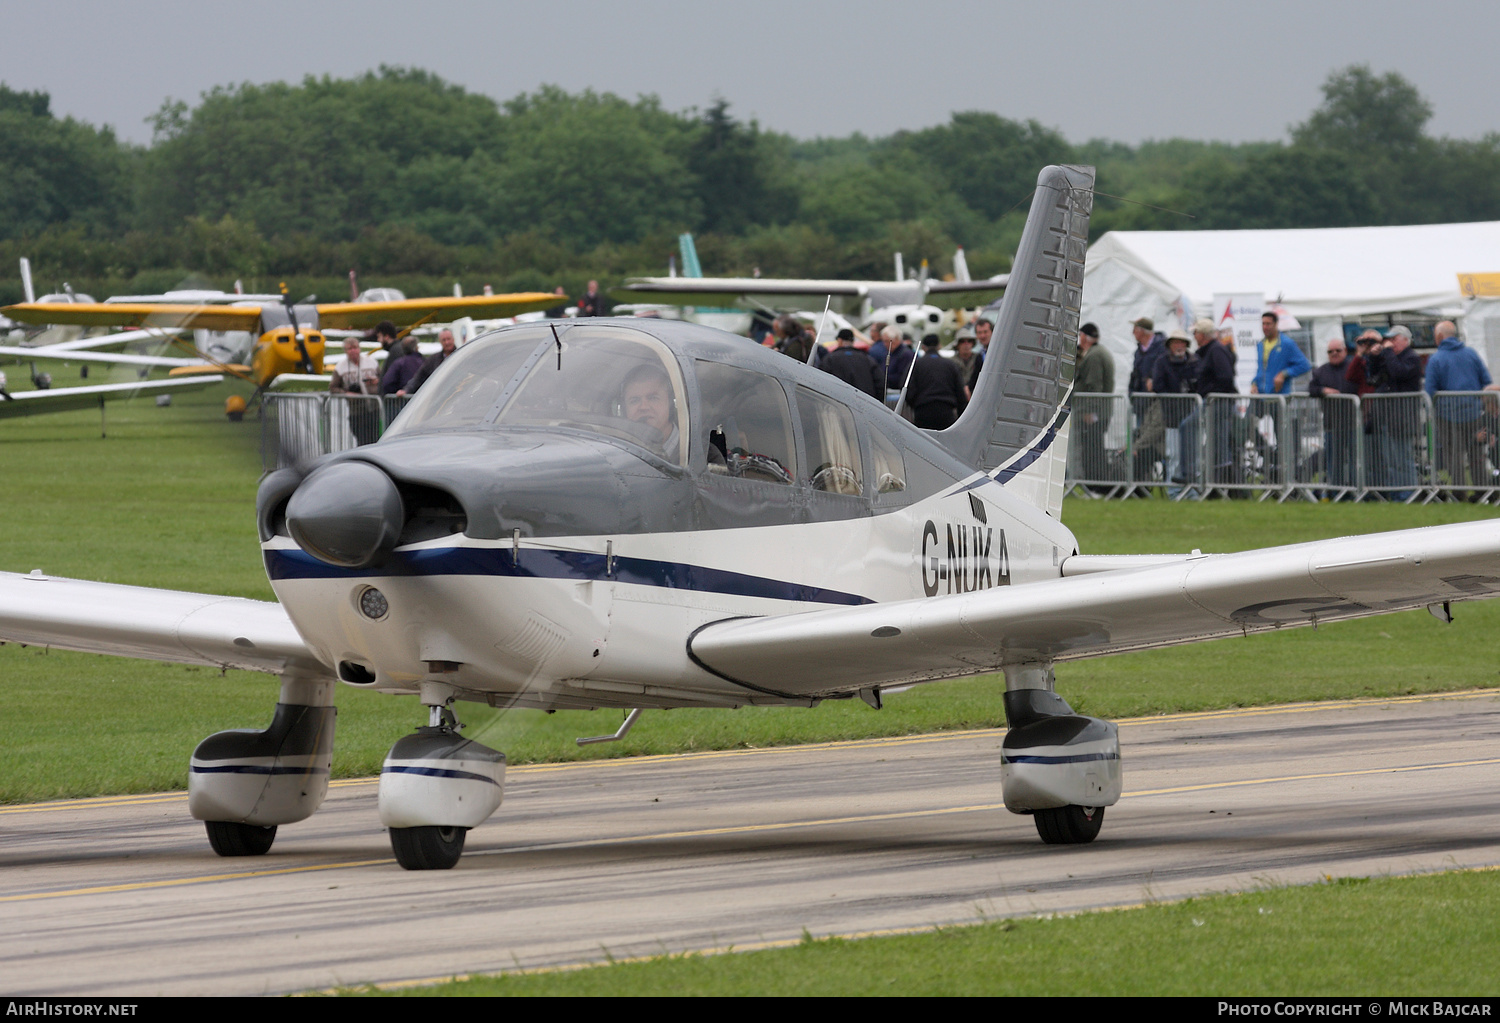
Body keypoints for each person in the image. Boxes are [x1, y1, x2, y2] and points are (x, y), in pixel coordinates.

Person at [1424, 319, 1497, 492]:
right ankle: (1482, 491)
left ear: (1440, 336)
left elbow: (1430, 391)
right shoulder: (1471, 353)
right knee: (1477, 454)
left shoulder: (1436, 359)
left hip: (1447, 415)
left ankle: (1459, 491)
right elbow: (1486, 382)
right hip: (1474, 413)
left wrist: (1433, 411)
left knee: (1453, 455)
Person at [1365, 324, 1424, 498]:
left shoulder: (1411, 358)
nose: (1389, 343)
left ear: (1405, 340)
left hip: (1403, 416)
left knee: (1403, 459)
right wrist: (1375, 357)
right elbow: (1373, 379)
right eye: (1388, 339)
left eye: (1394, 339)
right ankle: (1396, 494)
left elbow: (1398, 373)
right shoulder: (1390, 357)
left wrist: (1388, 352)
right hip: (1387, 416)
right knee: (1390, 459)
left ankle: (1408, 494)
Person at [1152, 329, 1200, 492]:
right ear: (1169, 345)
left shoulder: (1194, 361)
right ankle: (1172, 490)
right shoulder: (1161, 362)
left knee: (1193, 454)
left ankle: (1192, 491)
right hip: (1172, 415)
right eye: (1175, 342)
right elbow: (1158, 386)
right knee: (1173, 454)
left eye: (1181, 342)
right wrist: (1175, 398)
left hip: (1192, 415)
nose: (1179, 346)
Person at [1308, 338, 1358, 495]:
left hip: (1353, 423)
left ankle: (1355, 492)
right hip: (1332, 425)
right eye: (1331, 351)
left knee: (1354, 461)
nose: (1334, 354)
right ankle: (1336, 493)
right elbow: (1311, 388)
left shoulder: (1353, 368)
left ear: (1345, 351)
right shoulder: (1321, 371)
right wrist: (1323, 391)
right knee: (1334, 461)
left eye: (1338, 350)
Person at [1192, 318, 1237, 485]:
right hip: (1212, 402)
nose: (1194, 336)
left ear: (1202, 335)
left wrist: (1209, 394)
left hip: (1218, 404)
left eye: (1195, 332)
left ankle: (1223, 484)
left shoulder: (1216, 351)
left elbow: (1225, 377)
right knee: (1215, 443)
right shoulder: (1206, 351)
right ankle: (1218, 483)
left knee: (1220, 443)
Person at [1073, 322, 1115, 485]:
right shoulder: (1098, 352)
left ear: (1085, 336)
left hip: (1095, 413)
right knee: (1094, 447)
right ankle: (1097, 484)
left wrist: (1090, 411)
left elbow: (1094, 386)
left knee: (1093, 450)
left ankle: (1096, 484)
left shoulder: (1094, 356)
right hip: (1101, 411)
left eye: (1080, 335)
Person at [1127, 316, 1165, 485]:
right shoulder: (1138, 351)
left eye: (1135, 329)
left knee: (1155, 440)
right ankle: (1143, 481)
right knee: (1143, 438)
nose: (1133, 333)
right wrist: (1132, 394)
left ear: (1142, 331)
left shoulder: (1161, 349)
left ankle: (1159, 480)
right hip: (1141, 403)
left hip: (1156, 404)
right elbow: (1135, 375)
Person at [619, 363, 679, 462]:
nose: (643, 407)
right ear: (625, 410)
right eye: (634, 400)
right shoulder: (616, 451)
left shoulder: (705, 455)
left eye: (653, 398)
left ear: (670, 404)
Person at [904, 335, 966, 429]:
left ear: (923, 347)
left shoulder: (916, 365)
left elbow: (907, 388)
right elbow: (960, 393)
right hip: (946, 412)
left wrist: (914, 405)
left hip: (923, 412)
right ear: (939, 346)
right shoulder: (950, 365)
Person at [329, 337, 381, 445]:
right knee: (362, 441)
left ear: (359, 348)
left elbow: (384, 379)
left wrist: (376, 381)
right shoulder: (340, 367)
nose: (353, 351)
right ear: (345, 351)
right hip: (356, 412)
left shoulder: (371, 362)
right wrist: (346, 393)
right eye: (349, 349)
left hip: (374, 409)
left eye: (355, 348)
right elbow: (333, 388)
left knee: (376, 440)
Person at [1249, 311, 1311, 395]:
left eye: (1268, 324)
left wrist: (1283, 374)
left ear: (1276, 324)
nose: (1265, 327)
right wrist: (1254, 383)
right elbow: (1261, 370)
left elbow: (1305, 365)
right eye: (1263, 324)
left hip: (1278, 396)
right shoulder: (1261, 344)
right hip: (1261, 397)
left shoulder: (1286, 343)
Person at [820, 328, 883, 400]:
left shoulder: (829, 359)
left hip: (838, 402)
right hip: (864, 402)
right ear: (852, 341)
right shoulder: (867, 358)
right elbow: (880, 382)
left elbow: (822, 381)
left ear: (839, 340)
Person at [400, 328, 458, 396]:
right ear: (440, 342)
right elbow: (418, 377)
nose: (446, 342)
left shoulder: (462, 356)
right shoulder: (432, 360)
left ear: (453, 339)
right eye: (444, 340)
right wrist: (406, 390)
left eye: (448, 339)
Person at [952, 331, 984, 397]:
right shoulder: (951, 362)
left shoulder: (979, 359)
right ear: (957, 345)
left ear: (972, 343)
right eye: (962, 341)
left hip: (977, 395)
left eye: (969, 341)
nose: (966, 344)